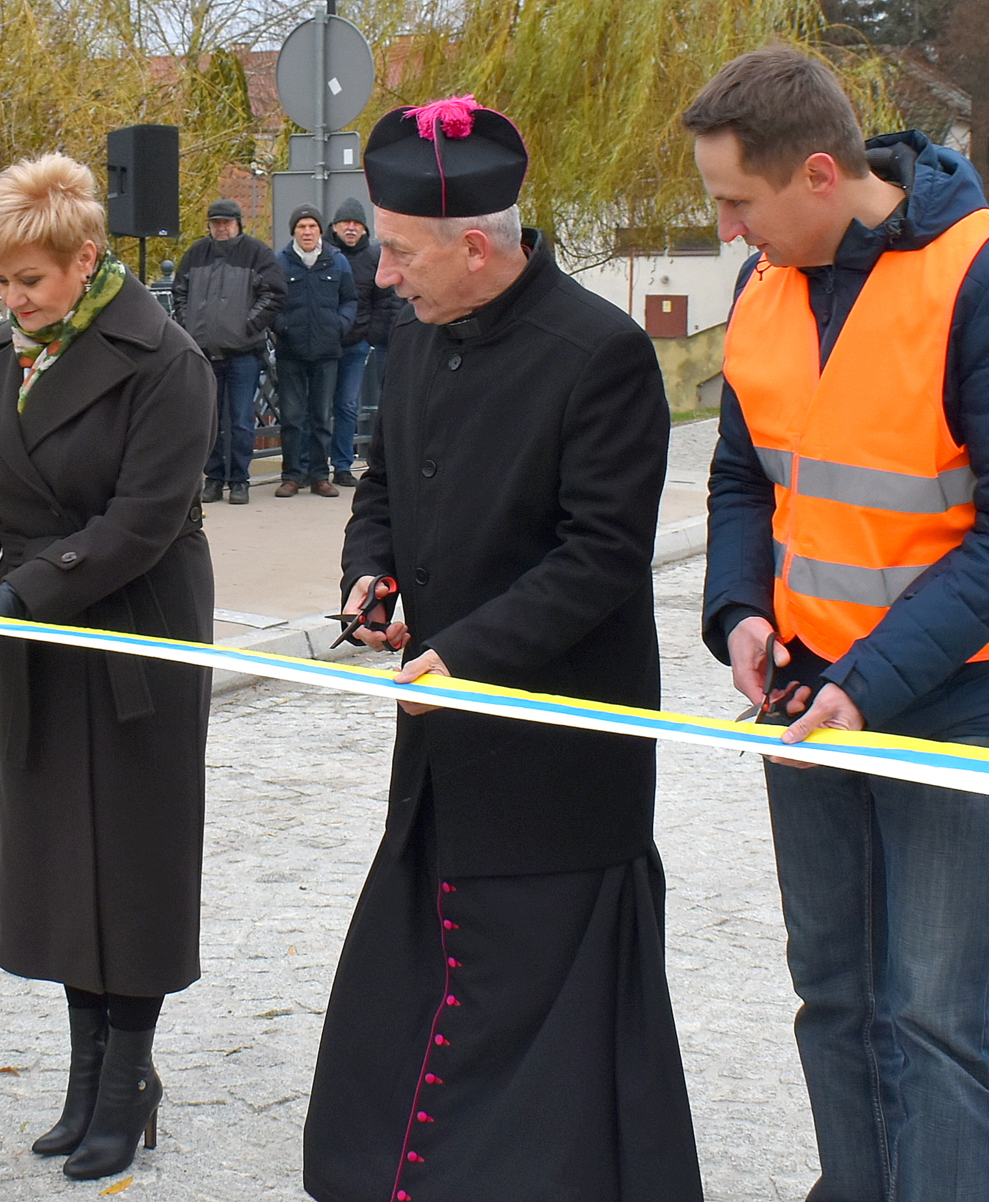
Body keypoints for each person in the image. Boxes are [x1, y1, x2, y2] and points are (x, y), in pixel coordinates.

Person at [685, 48, 989, 1202]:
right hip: (807, 689)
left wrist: (875, 677)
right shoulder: (766, 287)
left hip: (958, 695)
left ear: (817, 174)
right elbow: (740, 478)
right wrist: (741, 609)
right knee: (838, 989)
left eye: (736, 202)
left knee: (938, 1011)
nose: (727, 228)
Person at [304, 96, 703, 1202]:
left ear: (474, 245)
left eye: (397, 252)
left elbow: (601, 556)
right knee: (427, 983)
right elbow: (381, 483)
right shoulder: (422, 332)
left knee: (539, 1033)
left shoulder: (604, 353)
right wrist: (370, 573)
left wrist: (465, 656)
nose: (382, 277)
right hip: (442, 750)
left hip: (555, 762)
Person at [0, 154, 215, 1181]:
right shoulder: (1, 355)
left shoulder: (165, 360)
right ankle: (90, 1077)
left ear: (86, 261)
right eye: (0, 281)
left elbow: (141, 522)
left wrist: (24, 592)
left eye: (29, 280)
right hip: (42, 633)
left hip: (134, 633)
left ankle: (127, 1081)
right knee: (59, 862)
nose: (11, 300)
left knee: (132, 861)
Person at [174, 198, 285, 504]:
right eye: (216, 223)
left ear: (238, 224)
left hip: (244, 353)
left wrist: (248, 326)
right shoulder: (196, 253)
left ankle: (239, 480)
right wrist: (189, 326)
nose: (221, 228)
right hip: (205, 351)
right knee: (209, 419)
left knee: (239, 420)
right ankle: (213, 478)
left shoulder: (257, 253)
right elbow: (179, 292)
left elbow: (275, 294)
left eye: (226, 223)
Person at [273, 204, 355, 497]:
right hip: (290, 352)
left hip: (327, 351)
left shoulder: (337, 261)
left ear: (321, 230)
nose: (307, 232)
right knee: (292, 417)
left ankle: (320, 476)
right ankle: (292, 476)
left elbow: (350, 299)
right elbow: (271, 300)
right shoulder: (280, 262)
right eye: (301, 227)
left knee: (322, 416)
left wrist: (339, 325)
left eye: (312, 226)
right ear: (293, 231)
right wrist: (282, 326)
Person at [325, 197, 386, 486]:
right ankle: (311, 467)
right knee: (318, 407)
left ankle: (342, 465)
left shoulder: (375, 258)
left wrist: (369, 334)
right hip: (323, 345)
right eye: (345, 223)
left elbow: (385, 300)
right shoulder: (322, 253)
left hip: (356, 344)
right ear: (334, 226)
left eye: (356, 224)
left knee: (348, 406)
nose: (351, 228)